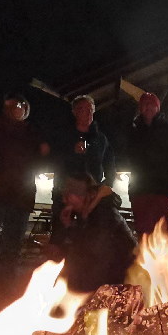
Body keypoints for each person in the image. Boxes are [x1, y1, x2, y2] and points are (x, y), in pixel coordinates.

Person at [0, 93, 49, 309]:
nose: (19, 108)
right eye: (15, 105)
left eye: (23, 106)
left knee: (12, 246)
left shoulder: (31, 134)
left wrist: (45, 152)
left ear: (27, 111)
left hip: (19, 198)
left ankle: (6, 290)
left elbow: (41, 159)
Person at [48, 95, 115, 256]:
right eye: (82, 109)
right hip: (66, 194)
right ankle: (57, 273)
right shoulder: (64, 135)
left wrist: (106, 185)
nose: (87, 113)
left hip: (90, 196)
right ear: (74, 112)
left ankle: (86, 275)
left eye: (90, 110)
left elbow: (110, 164)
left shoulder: (100, 139)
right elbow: (53, 160)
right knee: (61, 235)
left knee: (90, 237)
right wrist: (72, 152)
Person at [57, 172, 136, 293]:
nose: (64, 200)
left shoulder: (103, 213)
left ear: (83, 195)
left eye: (68, 195)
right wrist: (69, 226)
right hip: (110, 277)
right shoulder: (87, 214)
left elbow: (94, 253)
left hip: (122, 282)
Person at [125, 92, 168, 236]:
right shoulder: (133, 131)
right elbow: (128, 156)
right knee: (143, 232)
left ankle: (163, 259)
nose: (148, 107)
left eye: (151, 104)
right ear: (140, 108)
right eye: (144, 104)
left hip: (161, 190)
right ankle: (143, 258)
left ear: (158, 108)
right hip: (139, 190)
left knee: (162, 231)